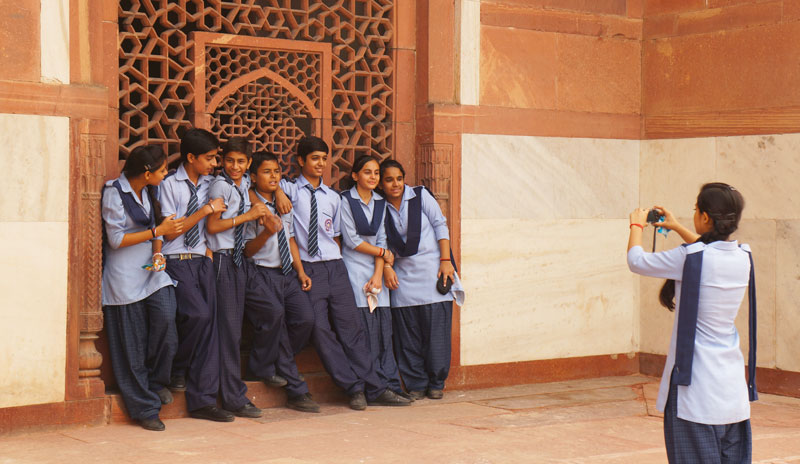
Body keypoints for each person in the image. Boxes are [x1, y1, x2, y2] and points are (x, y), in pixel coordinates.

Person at [272, 136, 411, 410]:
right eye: (314, 158)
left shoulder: (334, 198)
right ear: (301, 161)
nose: (320, 163)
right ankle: (353, 388)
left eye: (324, 158)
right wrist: (278, 191)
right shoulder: (290, 189)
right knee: (321, 330)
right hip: (308, 268)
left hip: (335, 267)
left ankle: (375, 387)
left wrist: (338, 267)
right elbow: (264, 184)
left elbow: (336, 237)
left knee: (352, 330)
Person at [627, 183, 757, 463]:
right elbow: (705, 251)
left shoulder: (690, 258)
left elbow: (636, 261)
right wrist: (675, 226)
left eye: (696, 211)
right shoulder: (743, 257)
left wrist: (636, 224)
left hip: (694, 395)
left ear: (706, 218)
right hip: (732, 392)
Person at [101, 145, 183, 431]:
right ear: (147, 173)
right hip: (123, 276)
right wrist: (155, 234)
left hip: (151, 271)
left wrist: (158, 248)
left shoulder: (151, 190)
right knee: (130, 346)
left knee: (167, 323)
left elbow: (160, 225)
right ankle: (145, 408)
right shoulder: (114, 192)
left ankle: (157, 381)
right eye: (162, 170)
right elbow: (115, 240)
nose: (165, 174)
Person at [157, 128, 233, 422]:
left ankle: (202, 402)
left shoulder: (214, 184)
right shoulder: (168, 185)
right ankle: (174, 370)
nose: (215, 163)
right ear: (191, 157)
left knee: (209, 327)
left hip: (203, 260)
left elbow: (246, 182)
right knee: (197, 317)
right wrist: (204, 211)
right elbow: (172, 230)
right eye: (210, 158)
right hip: (176, 259)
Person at [378, 159, 465, 400]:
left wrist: (445, 260)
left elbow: (440, 225)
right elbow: (381, 242)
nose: (395, 184)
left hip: (432, 272)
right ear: (381, 184)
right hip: (403, 277)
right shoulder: (379, 207)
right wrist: (387, 267)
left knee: (436, 334)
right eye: (389, 180)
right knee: (408, 336)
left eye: (399, 178)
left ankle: (436, 382)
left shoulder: (420, 196)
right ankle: (416, 383)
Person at [243, 150, 321, 413]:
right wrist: (266, 231)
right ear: (253, 176)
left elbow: (289, 239)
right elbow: (247, 251)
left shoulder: (283, 201)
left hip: (286, 272)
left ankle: (266, 361)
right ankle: (297, 391)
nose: (274, 176)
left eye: (276, 171)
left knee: (306, 319)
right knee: (275, 317)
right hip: (260, 272)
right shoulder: (249, 205)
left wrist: (300, 271)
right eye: (266, 171)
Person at [205, 137, 266, 418]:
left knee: (239, 326)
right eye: (229, 160)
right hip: (223, 259)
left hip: (239, 259)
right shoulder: (220, 185)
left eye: (241, 162)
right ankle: (232, 396)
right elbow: (214, 225)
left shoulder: (242, 186)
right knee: (228, 331)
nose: (234, 166)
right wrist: (249, 216)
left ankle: (234, 390)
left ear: (249, 164)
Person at [339, 155, 405, 397]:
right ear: (355, 175)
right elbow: (352, 241)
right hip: (355, 272)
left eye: (376, 173)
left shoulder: (380, 202)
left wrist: (379, 274)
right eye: (367, 172)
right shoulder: (345, 200)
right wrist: (384, 253)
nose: (373, 177)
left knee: (383, 333)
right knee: (365, 334)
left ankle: (390, 385)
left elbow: (382, 239)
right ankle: (372, 388)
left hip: (376, 275)